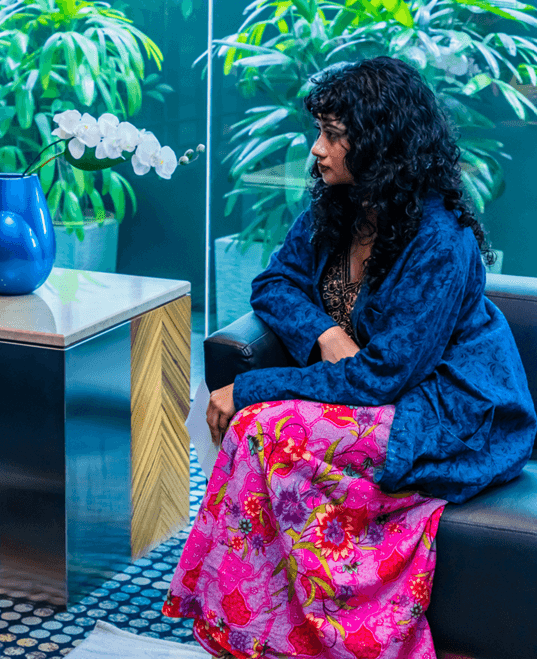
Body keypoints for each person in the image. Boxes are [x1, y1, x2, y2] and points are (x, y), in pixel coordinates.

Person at [163, 57, 536, 658]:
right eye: (320, 131)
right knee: (259, 436)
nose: (317, 149)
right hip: (381, 393)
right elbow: (273, 285)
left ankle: (280, 634)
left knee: (262, 427)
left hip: (449, 412)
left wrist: (251, 388)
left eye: (333, 135)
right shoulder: (339, 209)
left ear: (382, 144)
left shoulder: (441, 240)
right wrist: (325, 334)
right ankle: (254, 633)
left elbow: (381, 377)